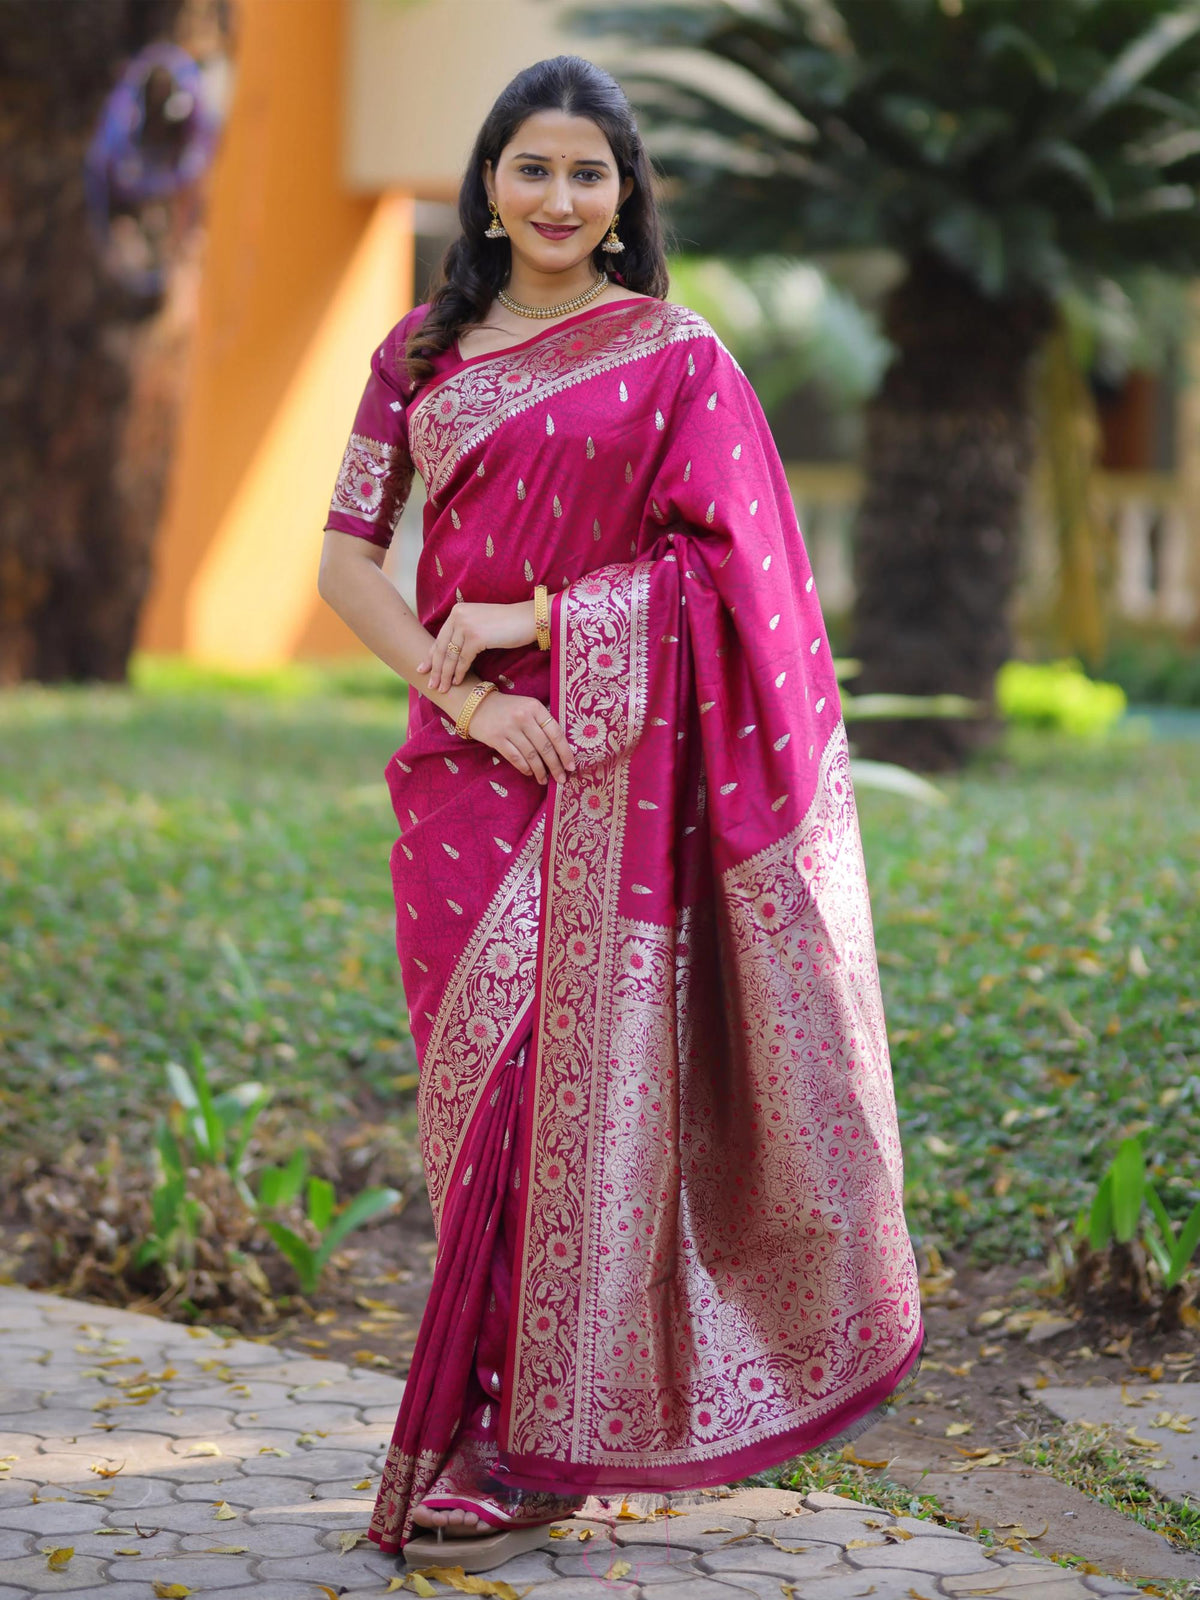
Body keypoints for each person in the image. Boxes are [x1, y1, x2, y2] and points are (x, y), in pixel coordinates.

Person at [317, 54, 925, 1574]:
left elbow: (736, 580)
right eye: (532, 166)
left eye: (589, 172)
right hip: (465, 770)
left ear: (625, 196)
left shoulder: (678, 361)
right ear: (488, 184)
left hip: (622, 774)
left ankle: (521, 1446)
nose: (558, 196)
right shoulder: (419, 351)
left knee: (571, 1101)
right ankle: (500, 1417)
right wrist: (475, 702)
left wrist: (535, 621)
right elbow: (344, 565)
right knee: (481, 1111)